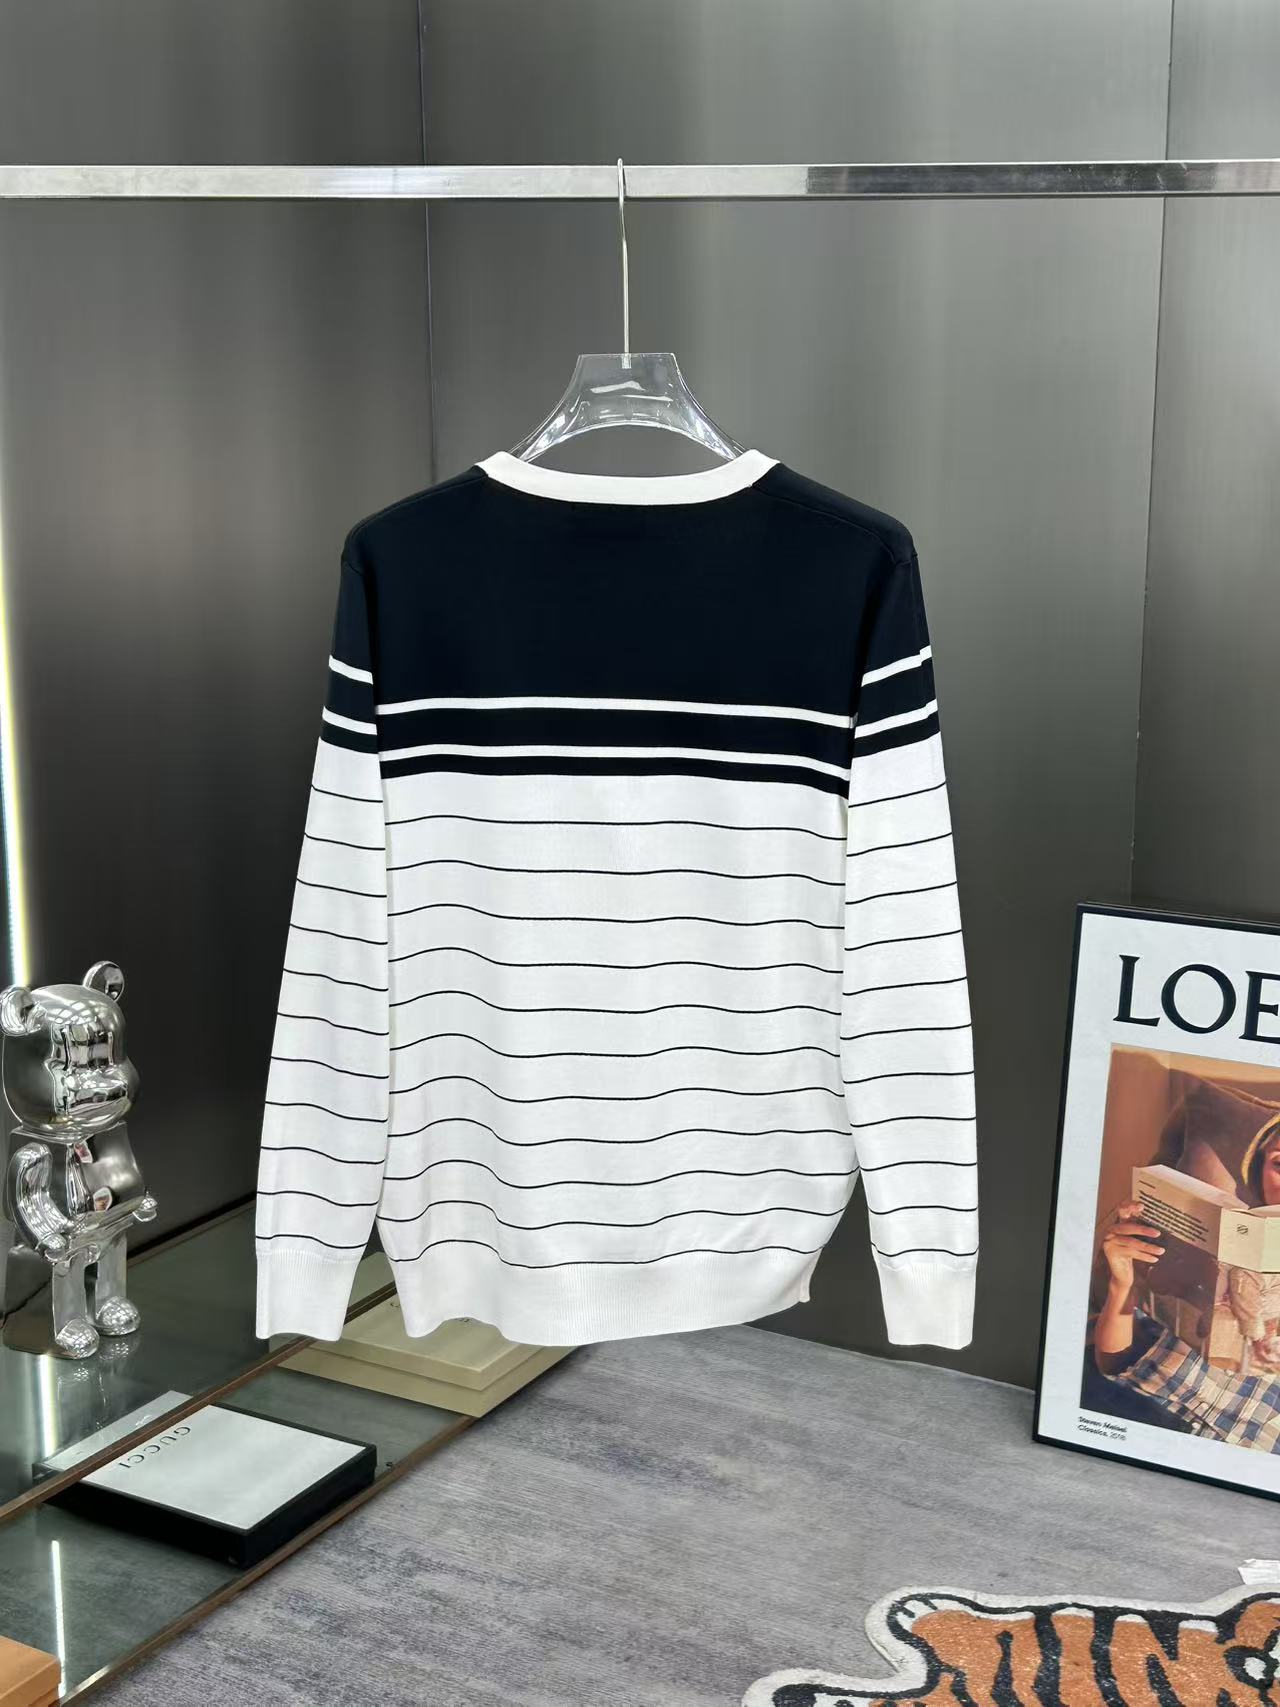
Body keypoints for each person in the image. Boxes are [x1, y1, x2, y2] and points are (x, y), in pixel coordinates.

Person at [1090, 1111, 1280, 1450]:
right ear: (1259, 1169)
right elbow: (1113, 1363)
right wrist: (1122, 1286)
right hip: (1150, 1422)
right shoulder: (1204, 1240)